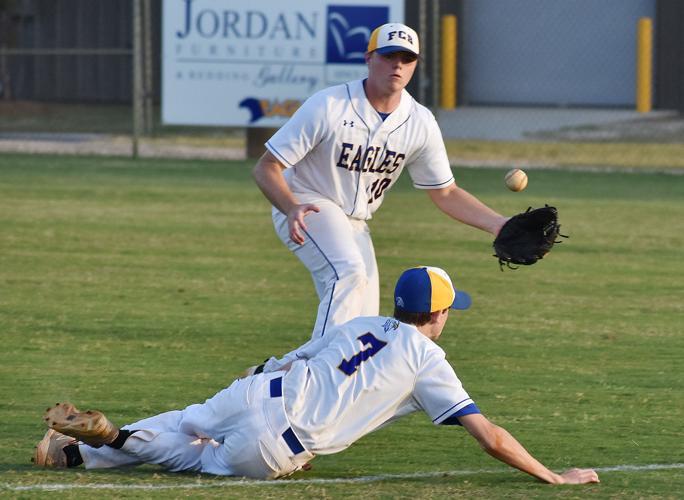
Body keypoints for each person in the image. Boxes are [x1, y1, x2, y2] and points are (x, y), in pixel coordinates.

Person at [34, 266, 599, 485]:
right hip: (281, 443)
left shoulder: (363, 323)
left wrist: (251, 378)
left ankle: (87, 448)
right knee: (197, 460)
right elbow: (491, 438)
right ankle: (106, 440)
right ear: (438, 315)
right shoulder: (429, 363)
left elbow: (287, 360)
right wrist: (554, 476)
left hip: (262, 389)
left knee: (187, 422)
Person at [253, 23, 509, 341]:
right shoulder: (329, 105)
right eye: (389, 56)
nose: (397, 64)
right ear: (369, 58)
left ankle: (276, 372)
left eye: (407, 58)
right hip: (307, 204)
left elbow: (446, 192)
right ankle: (312, 372)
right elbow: (266, 167)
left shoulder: (420, 122)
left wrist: (499, 224)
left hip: (356, 223)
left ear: (415, 64)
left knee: (363, 324)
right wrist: (290, 207)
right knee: (348, 274)